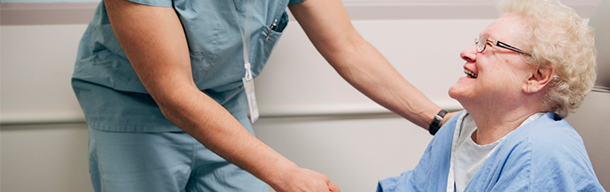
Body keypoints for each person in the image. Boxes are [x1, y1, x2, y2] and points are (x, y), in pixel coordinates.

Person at [71, 0, 453, 191]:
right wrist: (285, 173)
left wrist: (439, 121)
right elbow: (174, 93)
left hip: (222, 101)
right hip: (133, 106)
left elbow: (349, 48)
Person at [376, 0, 605, 191]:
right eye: (477, 43)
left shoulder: (541, 153)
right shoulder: (457, 129)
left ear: (536, 76)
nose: (466, 53)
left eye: (487, 45)